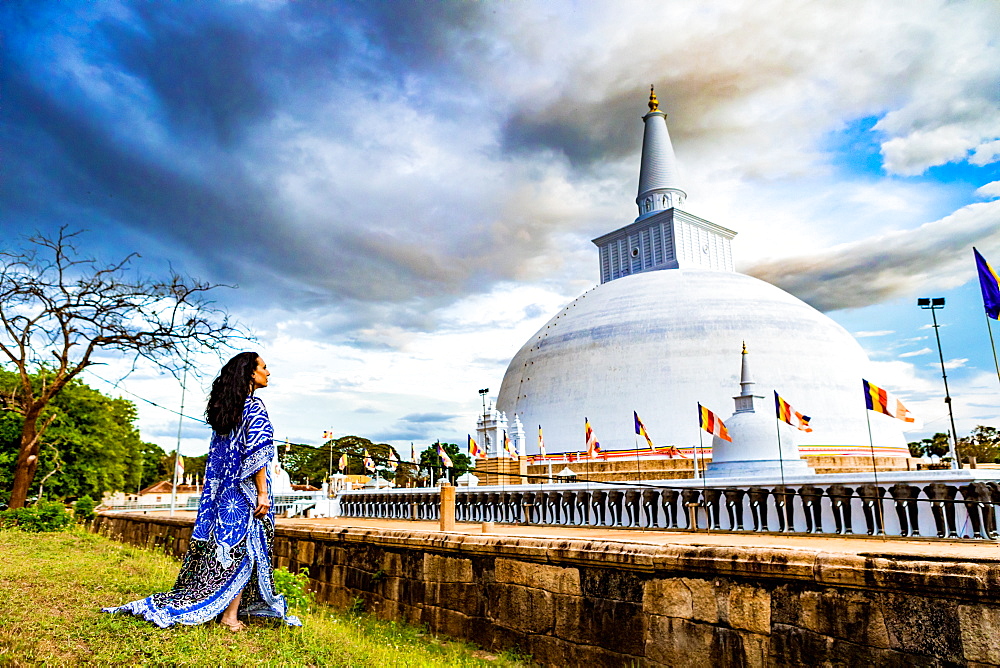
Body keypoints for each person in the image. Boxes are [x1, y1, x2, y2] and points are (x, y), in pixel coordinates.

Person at [103, 352, 301, 630]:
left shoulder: (227, 410)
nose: (269, 373)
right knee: (243, 553)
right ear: (250, 373)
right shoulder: (254, 406)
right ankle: (229, 617)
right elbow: (258, 452)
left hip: (222, 495)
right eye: (265, 368)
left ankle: (227, 610)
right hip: (244, 494)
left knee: (229, 551)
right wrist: (263, 493)